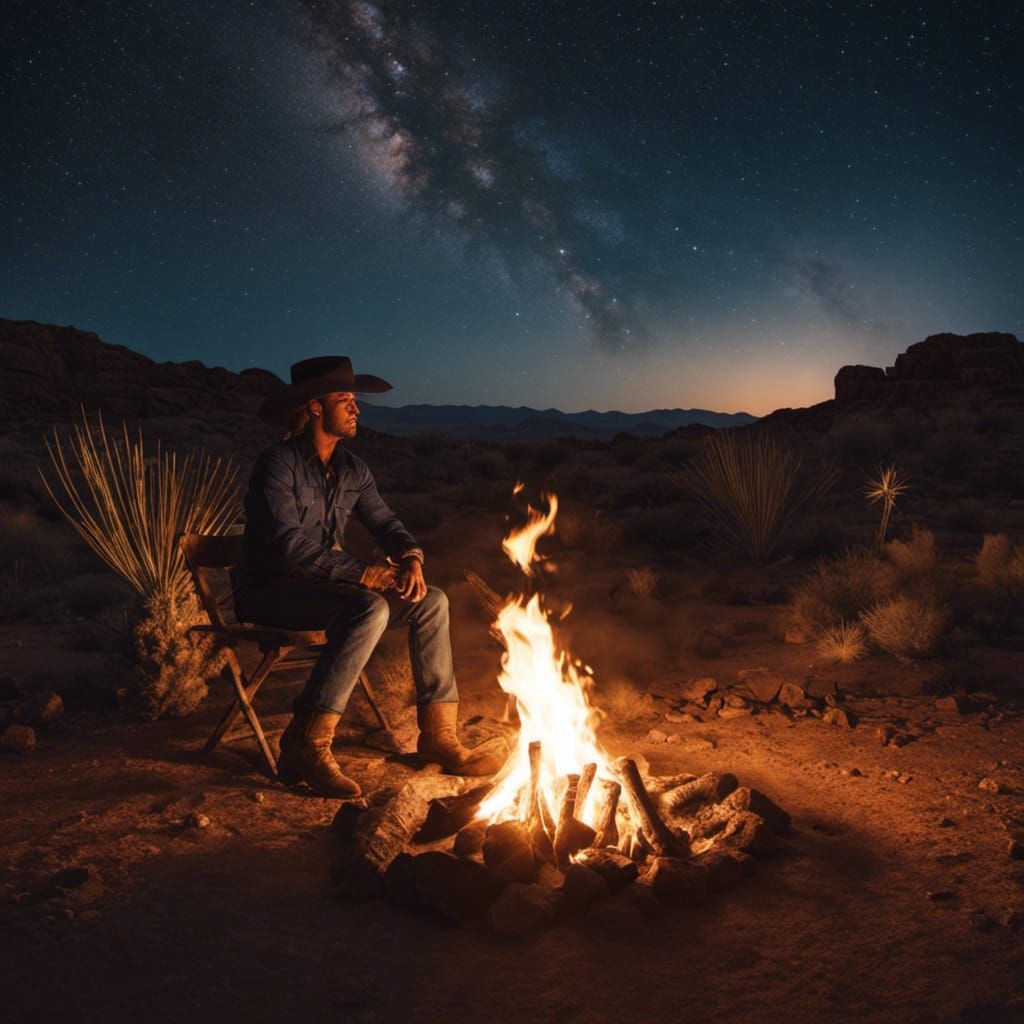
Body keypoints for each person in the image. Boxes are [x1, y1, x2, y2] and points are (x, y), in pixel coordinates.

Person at [231, 355, 505, 797]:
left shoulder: (353, 469)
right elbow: (289, 546)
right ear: (317, 407)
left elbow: (387, 524)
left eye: (356, 401)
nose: (356, 409)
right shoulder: (277, 465)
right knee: (368, 605)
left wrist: (410, 557)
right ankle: (307, 743)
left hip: (323, 589)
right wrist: (365, 573)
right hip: (269, 592)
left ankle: (438, 738)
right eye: (346, 400)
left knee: (431, 600)